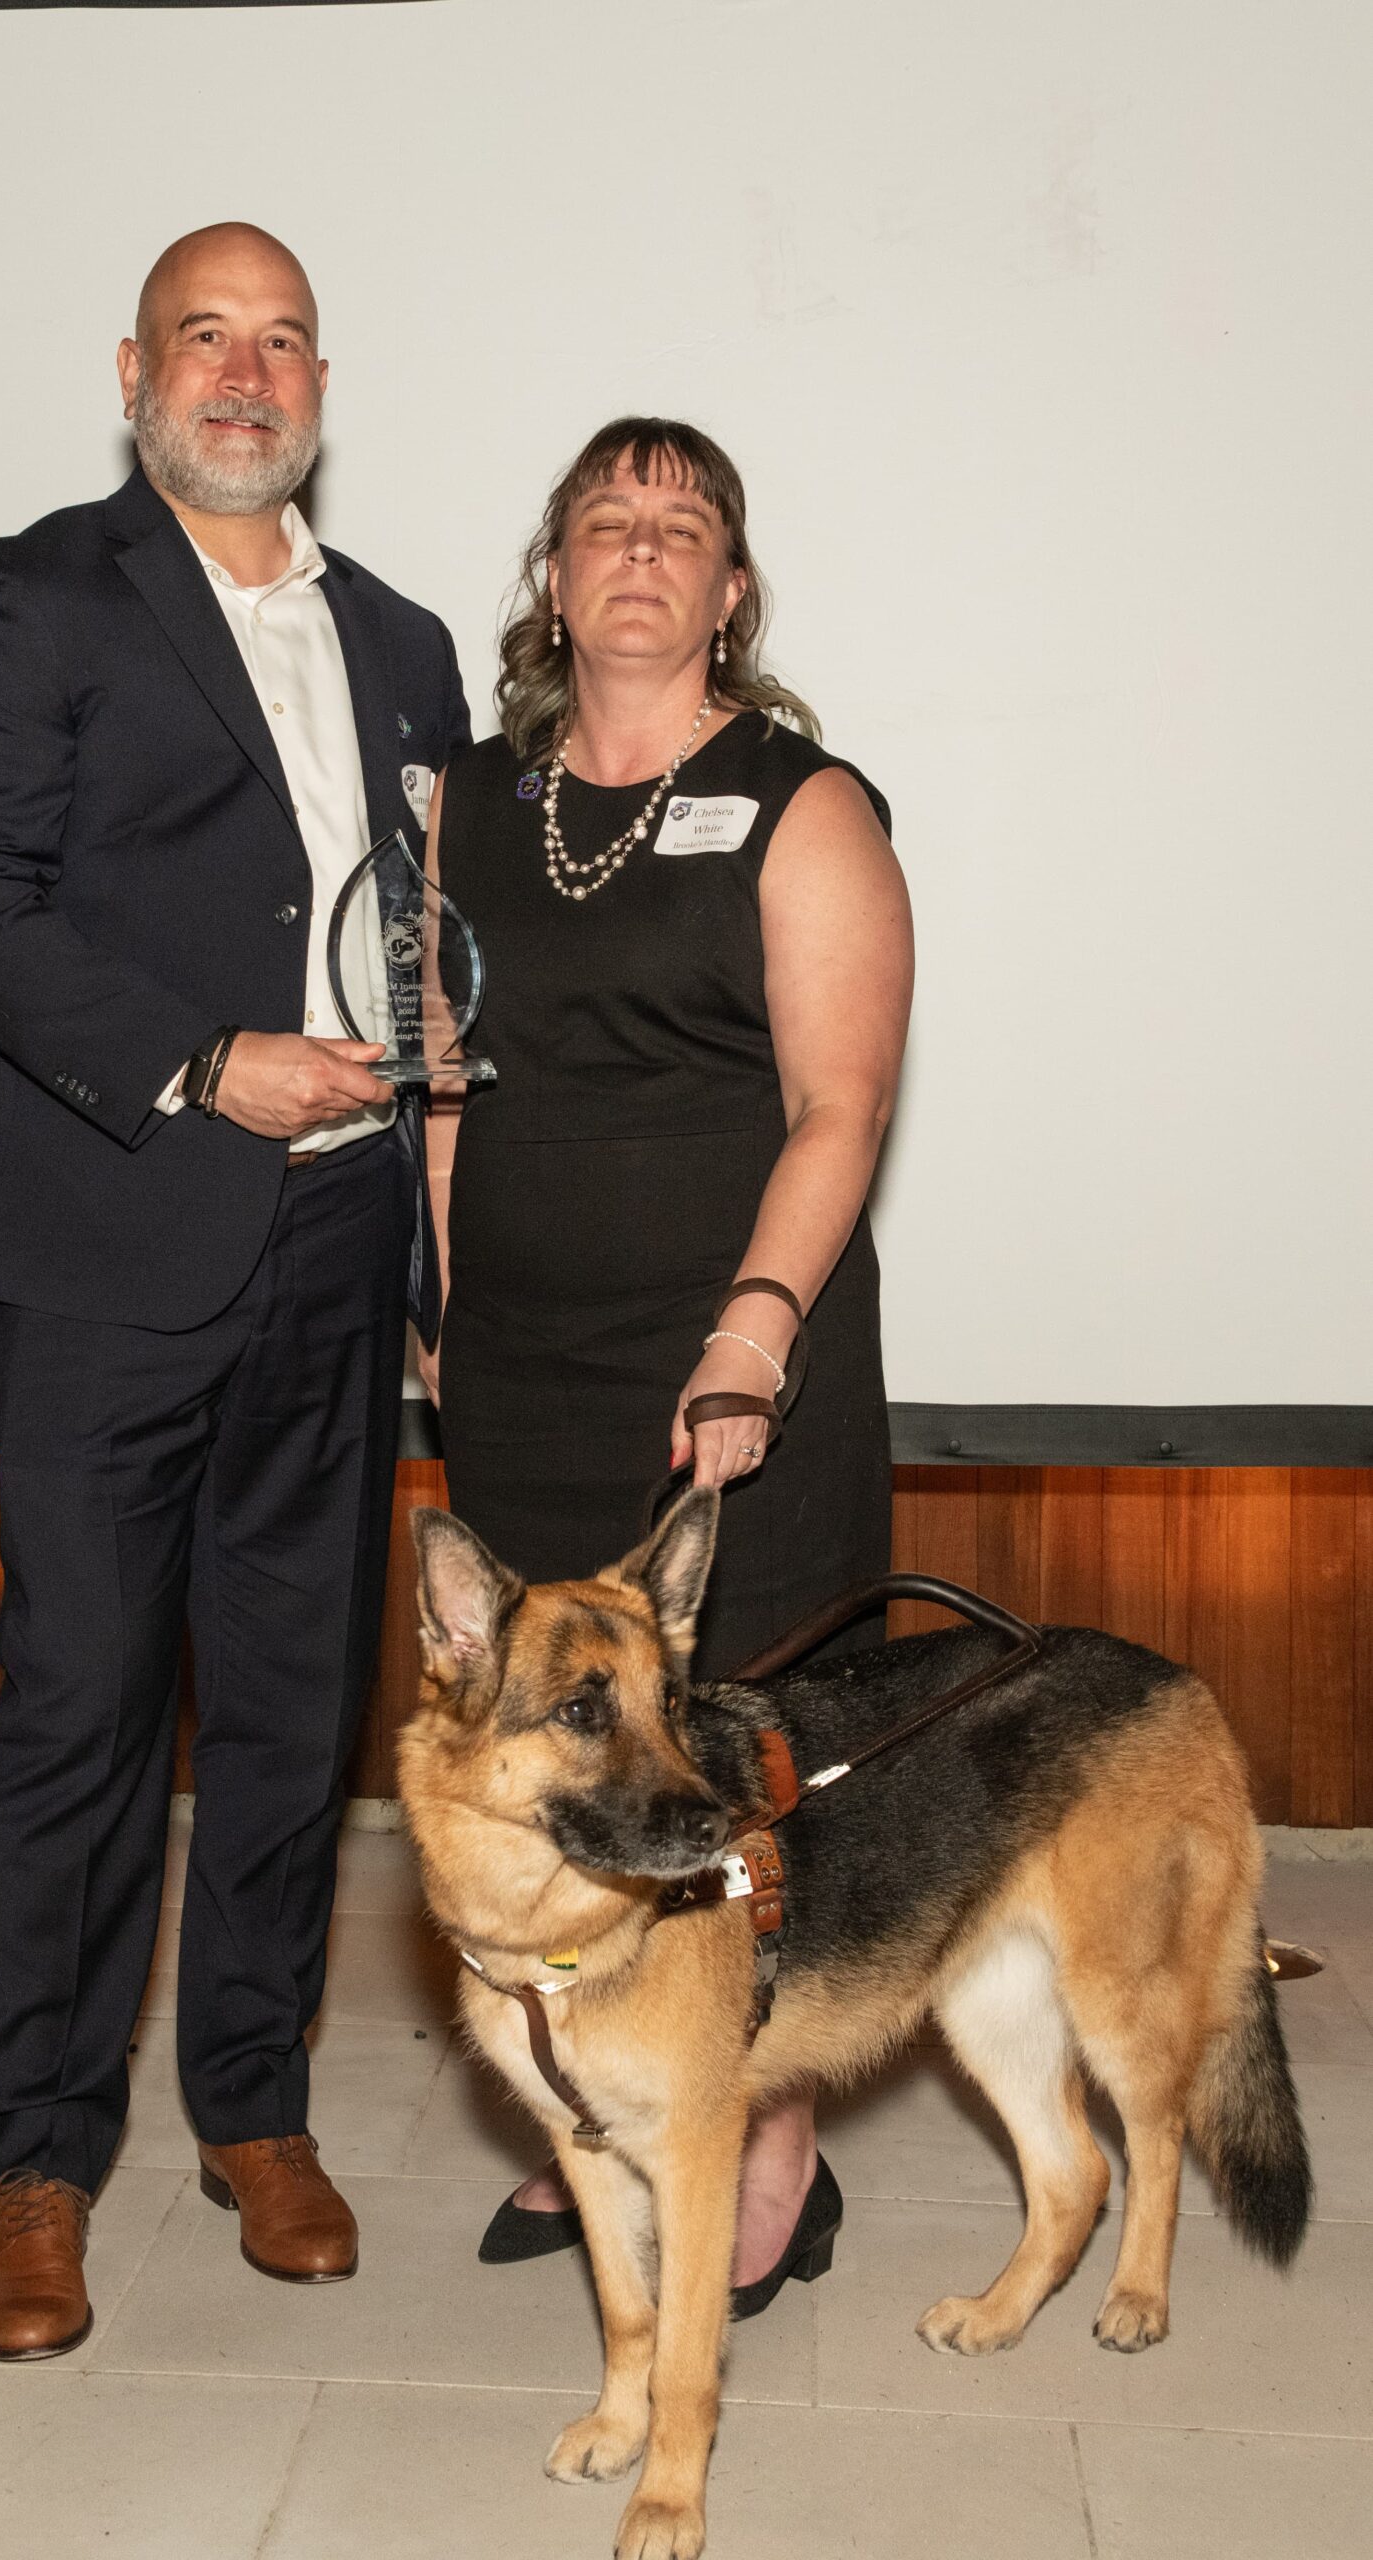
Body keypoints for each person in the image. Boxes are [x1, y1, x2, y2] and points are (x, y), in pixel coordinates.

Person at [0, 223, 470, 2358]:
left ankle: (253, 2104)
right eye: (205, 336)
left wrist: (429, 1206)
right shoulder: (32, 592)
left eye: (282, 338)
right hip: (115, 1228)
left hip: (330, 1249)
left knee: (298, 1702)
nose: (245, 373)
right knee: (80, 1709)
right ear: (130, 366)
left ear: (325, 375)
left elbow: (421, 941)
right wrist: (193, 1055)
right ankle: (36, 2163)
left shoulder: (402, 640)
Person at [422, 418, 911, 2316]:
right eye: (605, 522)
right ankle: (601, 2105)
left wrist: (753, 1330)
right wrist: (447, 1321)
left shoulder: (806, 806)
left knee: (755, 1765)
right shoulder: (465, 802)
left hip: (735, 1369)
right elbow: (448, 1091)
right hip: (527, 1367)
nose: (641, 548)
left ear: (729, 589)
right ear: (554, 576)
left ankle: (768, 2131)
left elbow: (841, 1103)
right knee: (560, 1758)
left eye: (681, 525)